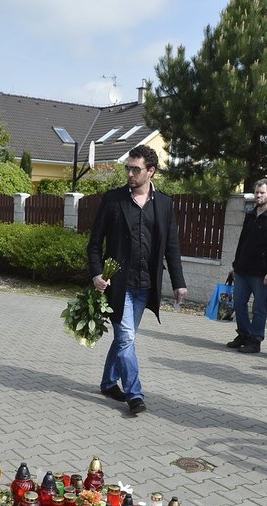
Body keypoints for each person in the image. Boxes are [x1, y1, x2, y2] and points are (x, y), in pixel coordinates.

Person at [88, 144, 186, 416]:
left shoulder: (164, 204)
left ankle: (109, 382)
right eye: (127, 168)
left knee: (124, 339)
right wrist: (97, 273)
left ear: (151, 171)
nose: (130, 174)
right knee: (127, 338)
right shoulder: (113, 200)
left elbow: (172, 246)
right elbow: (94, 244)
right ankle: (134, 393)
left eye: (136, 169)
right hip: (118, 285)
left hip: (146, 285)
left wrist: (179, 282)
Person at [225, 178, 267, 354]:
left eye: (262, 192)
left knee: (259, 307)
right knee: (239, 303)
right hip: (243, 269)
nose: (258, 196)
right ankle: (244, 335)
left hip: (262, 272)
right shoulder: (251, 214)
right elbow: (242, 242)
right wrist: (235, 265)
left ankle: (255, 340)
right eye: (256, 192)